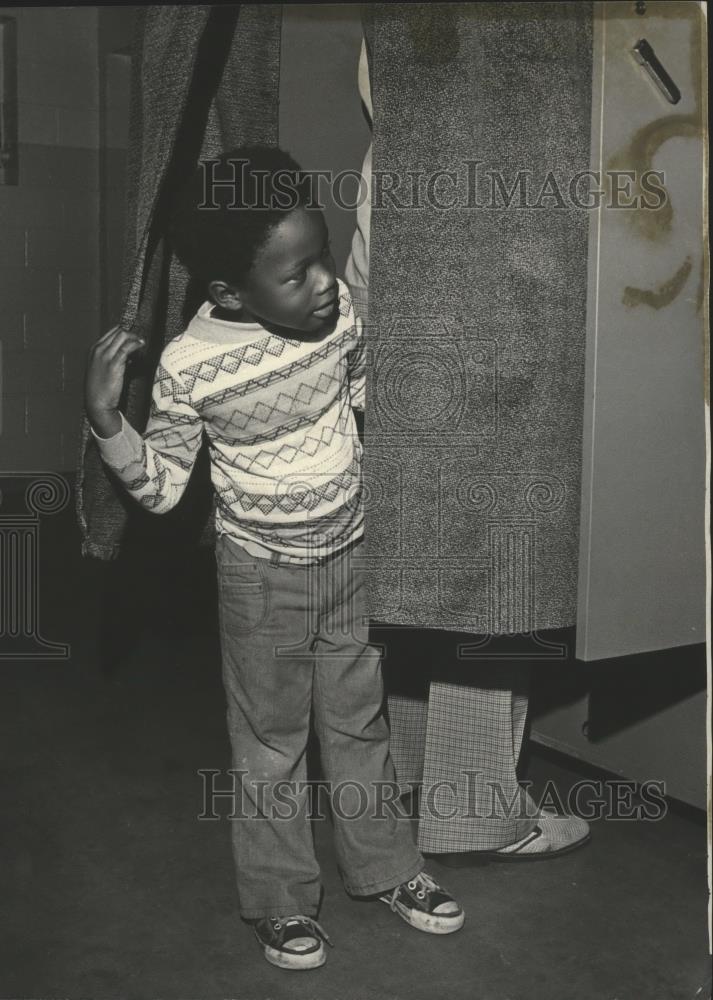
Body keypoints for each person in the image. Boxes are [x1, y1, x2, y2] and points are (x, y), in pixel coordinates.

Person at [84, 146, 465, 971]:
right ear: (228, 293)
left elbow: (362, 392)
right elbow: (160, 490)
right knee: (269, 747)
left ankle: (389, 870)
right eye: (296, 276)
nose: (324, 283)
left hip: (351, 560)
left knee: (359, 724)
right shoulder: (190, 368)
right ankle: (280, 902)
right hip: (259, 578)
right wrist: (110, 422)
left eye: (321, 258)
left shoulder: (338, 320)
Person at [346, 35, 591, 860]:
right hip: (498, 308)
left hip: (403, 301)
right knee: (498, 562)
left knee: (430, 559)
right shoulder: (517, 77)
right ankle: (476, 810)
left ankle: (423, 780)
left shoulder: (412, 61)